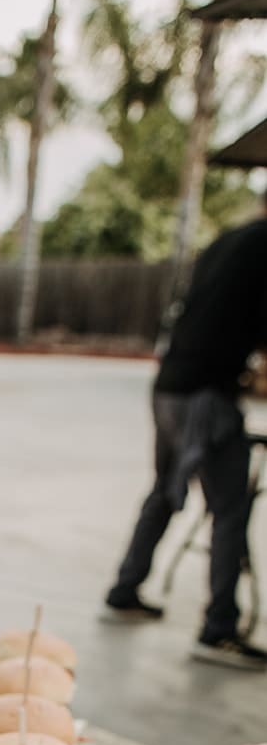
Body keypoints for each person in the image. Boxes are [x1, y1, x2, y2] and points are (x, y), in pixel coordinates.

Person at [103, 202, 267, 669]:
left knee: (164, 491)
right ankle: (219, 629)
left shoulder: (226, 240)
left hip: (170, 386)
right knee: (230, 508)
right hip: (206, 398)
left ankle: (125, 587)